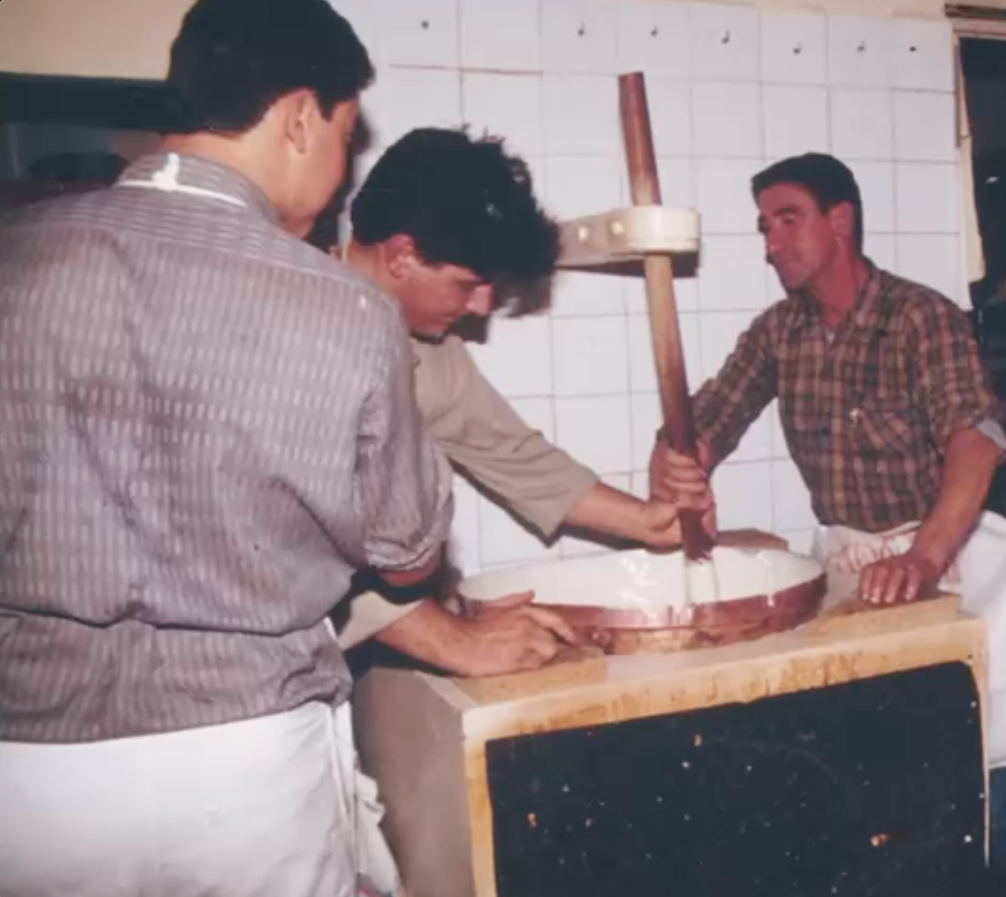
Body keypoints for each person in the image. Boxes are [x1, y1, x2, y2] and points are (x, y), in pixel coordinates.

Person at [0, 1, 453, 895]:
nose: (342, 164)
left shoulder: (17, 260)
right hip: (247, 764)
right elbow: (408, 555)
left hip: (30, 763)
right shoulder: (344, 305)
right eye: (344, 132)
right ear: (297, 116)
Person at [648, 152, 1006, 893]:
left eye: (787, 220)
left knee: (1005, 799)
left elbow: (975, 443)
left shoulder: (920, 318)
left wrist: (921, 558)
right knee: (893, 793)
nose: (770, 243)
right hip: (857, 576)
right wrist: (677, 461)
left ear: (840, 220)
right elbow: (708, 420)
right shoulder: (778, 333)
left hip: (953, 566)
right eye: (763, 227)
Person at [331, 127, 684, 667]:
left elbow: (510, 453)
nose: (480, 305)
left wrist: (648, 521)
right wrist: (454, 639)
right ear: (401, 255)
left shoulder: (430, 352)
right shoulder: (296, 332)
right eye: (469, 283)